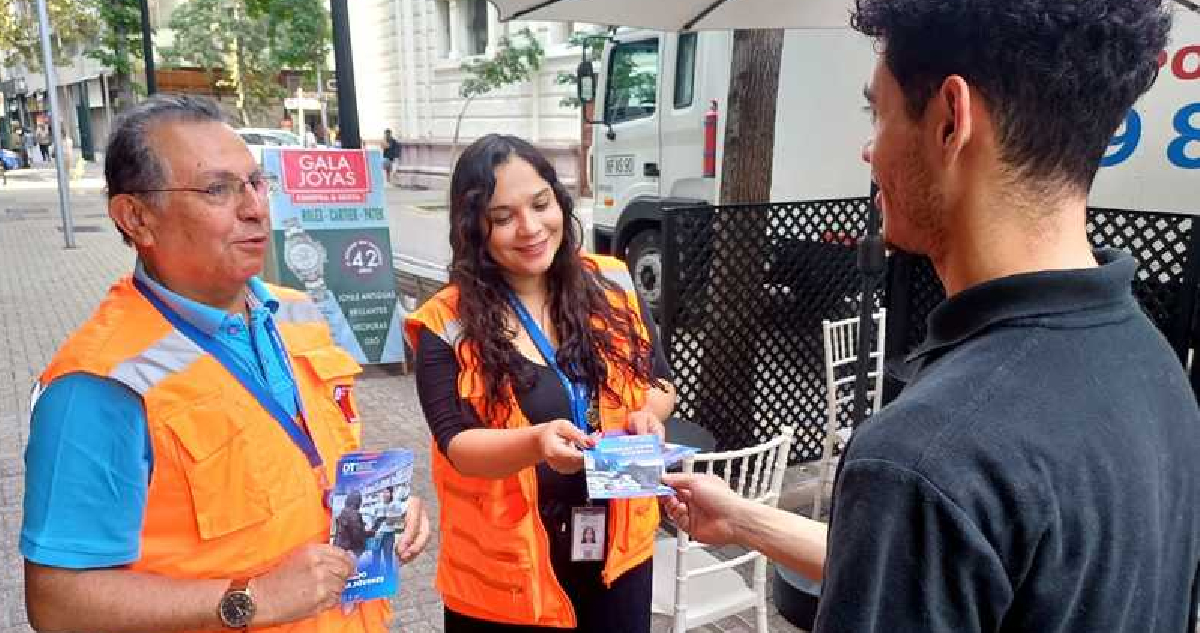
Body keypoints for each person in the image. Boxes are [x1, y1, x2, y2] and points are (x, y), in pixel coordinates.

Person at [664, 1, 1200, 632]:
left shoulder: (926, 457)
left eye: (877, 112)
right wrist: (743, 519)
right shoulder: (1154, 367)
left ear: (951, 119)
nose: (870, 151)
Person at [21, 94, 431, 633]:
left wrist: (380, 518)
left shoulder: (294, 311)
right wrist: (249, 599)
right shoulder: (99, 384)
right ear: (136, 217)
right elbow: (58, 603)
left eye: (256, 183)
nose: (254, 208)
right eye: (218, 189)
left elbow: (306, 460)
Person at [406, 133, 676, 632]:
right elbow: (457, 443)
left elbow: (660, 382)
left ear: (560, 200)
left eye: (540, 204)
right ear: (474, 229)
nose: (530, 228)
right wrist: (535, 442)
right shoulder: (445, 321)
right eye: (502, 217)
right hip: (508, 575)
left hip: (616, 556)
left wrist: (645, 415)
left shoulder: (612, 282)